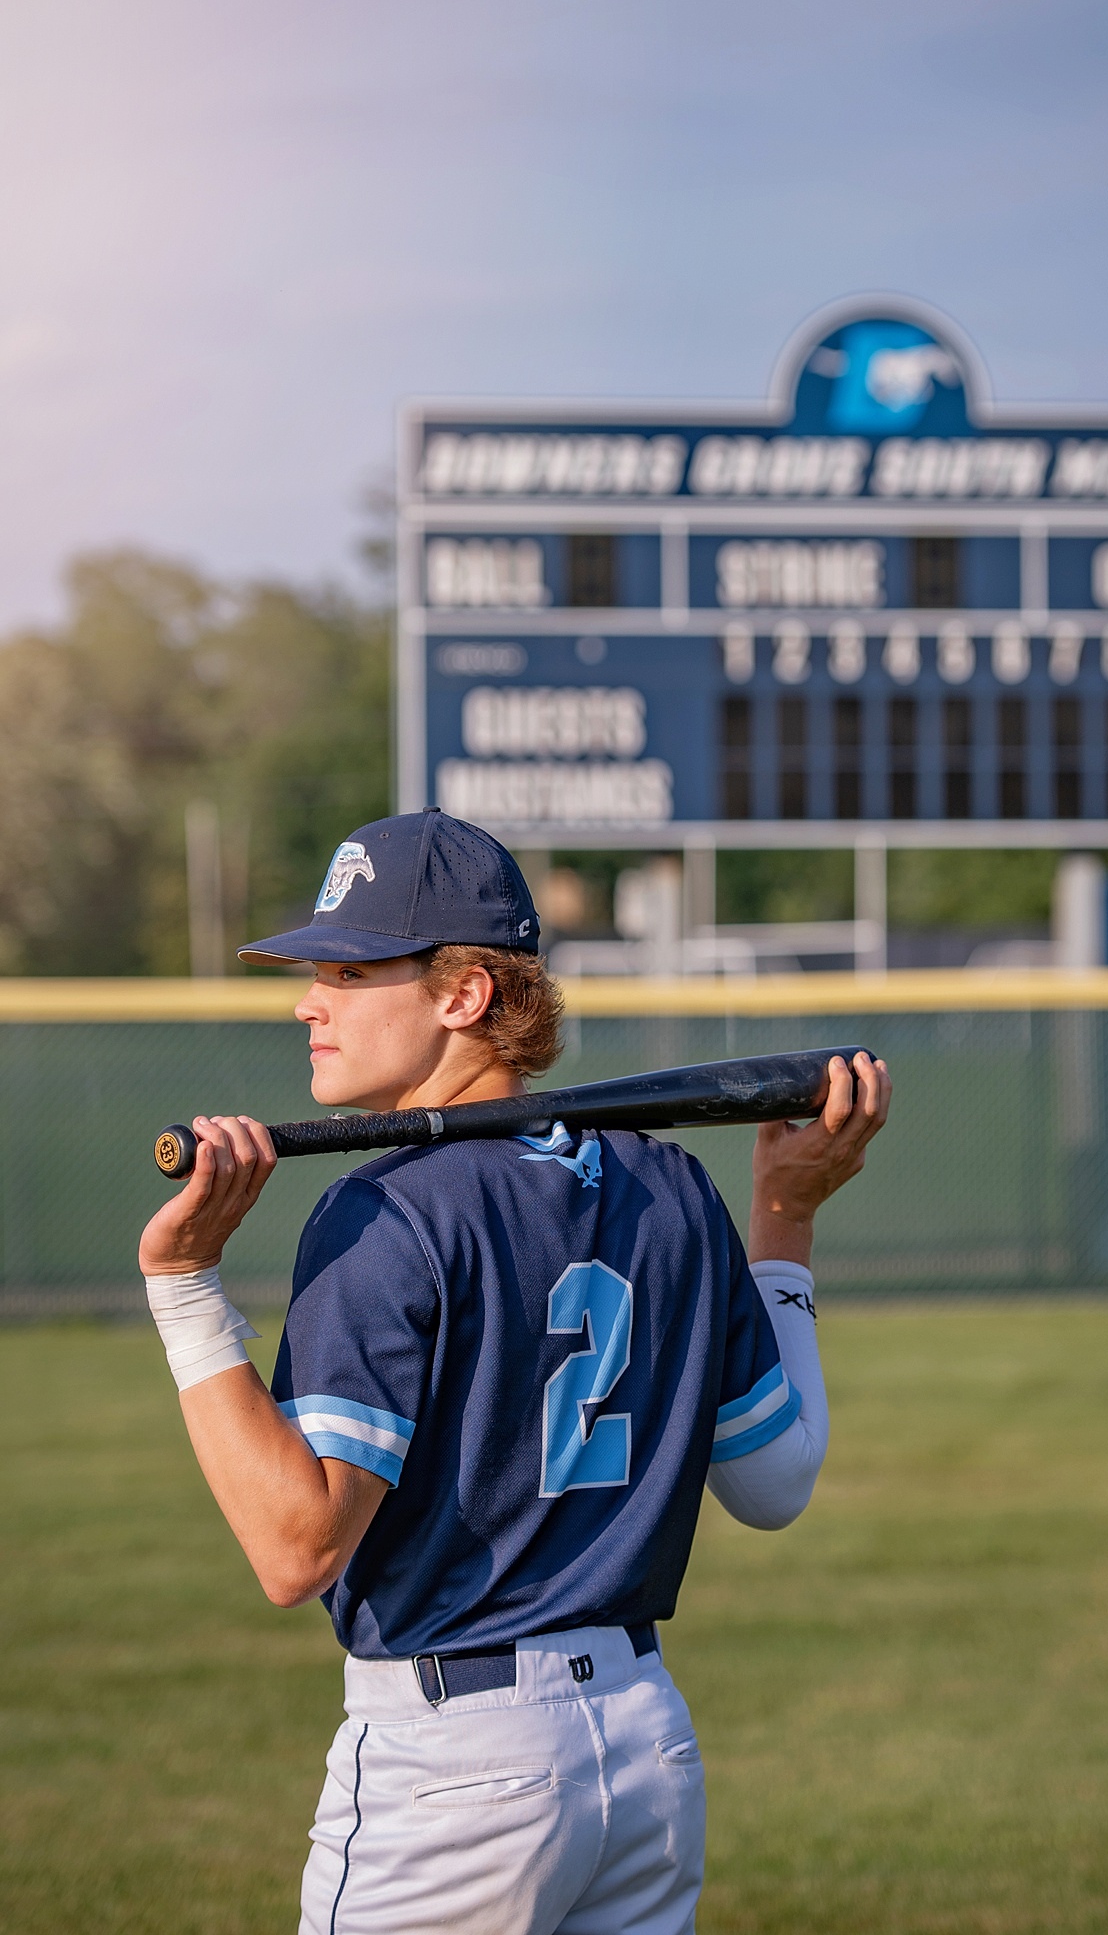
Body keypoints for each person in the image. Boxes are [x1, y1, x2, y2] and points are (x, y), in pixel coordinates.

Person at [139, 808, 890, 1935]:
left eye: (347, 970)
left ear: (464, 993)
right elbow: (773, 1484)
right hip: (644, 1750)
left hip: (458, 1768)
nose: (309, 1001)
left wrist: (186, 1287)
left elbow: (296, 1548)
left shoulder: (381, 1211)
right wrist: (782, 1218)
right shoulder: (674, 1187)